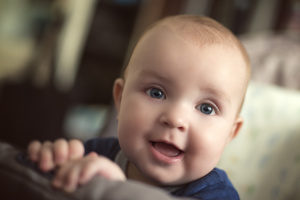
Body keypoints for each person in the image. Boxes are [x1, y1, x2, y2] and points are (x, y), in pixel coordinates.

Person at [27, 15, 250, 199]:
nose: (175, 119)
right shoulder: (96, 154)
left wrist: (117, 191)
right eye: (157, 93)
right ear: (120, 99)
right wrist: (54, 163)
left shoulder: (218, 195)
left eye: (206, 108)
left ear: (231, 133)